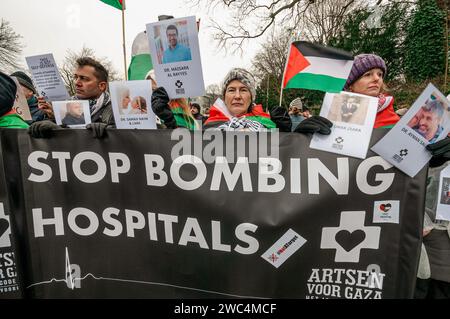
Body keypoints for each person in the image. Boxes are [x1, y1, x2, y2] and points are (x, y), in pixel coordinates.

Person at [30, 57, 114, 138]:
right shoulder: (63, 111)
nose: (77, 83)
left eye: (84, 78)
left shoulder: (115, 110)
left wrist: (110, 131)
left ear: (102, 86)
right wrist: (53, 123)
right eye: (75, 77)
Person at [344, 53, 399, 128]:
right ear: (350, 85)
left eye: (380, 74)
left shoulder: (396, 121)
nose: (377, 78)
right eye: (367, 74)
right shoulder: (335, 113)